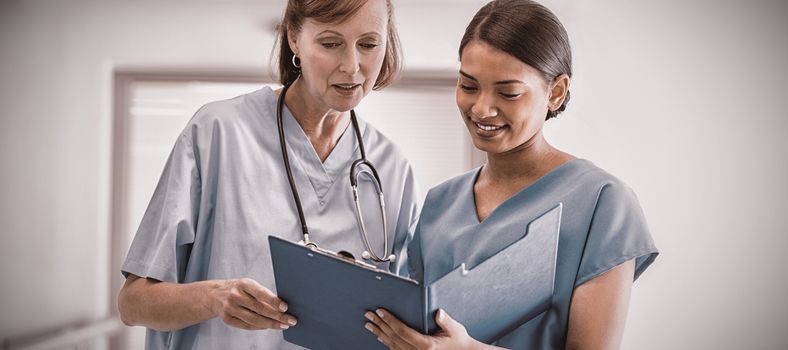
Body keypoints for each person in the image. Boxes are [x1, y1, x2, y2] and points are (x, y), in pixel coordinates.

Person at [117, 0, 420, 349]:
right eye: (330, 43)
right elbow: (132, 303)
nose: (352, 66)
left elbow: (402, 325)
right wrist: (216, 297)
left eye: (368, 44)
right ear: (294, 38)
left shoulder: (392, 169)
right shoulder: (218, 133)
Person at [364, 0, 659, 349]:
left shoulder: (602, 202)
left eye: (509, 93)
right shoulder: (439, 203)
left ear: (556, 92)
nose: (482, 109)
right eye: (469, 86)